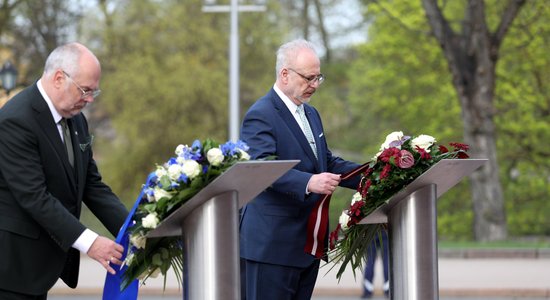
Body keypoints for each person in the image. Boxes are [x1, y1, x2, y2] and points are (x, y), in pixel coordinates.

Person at [0, 42, 128, 299]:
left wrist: (136, 233)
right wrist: (91, 243)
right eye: (85, 90)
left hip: (39, 269)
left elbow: (91, 185)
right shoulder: (15, 120)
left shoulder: (76, 120)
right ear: (59, 78)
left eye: (94, 92)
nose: (90, 99)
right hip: (11, 268)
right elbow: (35, 197)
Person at [239, 39, 362, 300]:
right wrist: (308, 182)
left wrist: (378, 174)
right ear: (285, 74)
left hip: (306, 247)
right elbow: (261, 167)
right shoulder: (260, 114)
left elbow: (326, 162)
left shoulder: (311, 114)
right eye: (309, 78)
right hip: (272, 247)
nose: (315, 85)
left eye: (319, 77)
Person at [362, 229, 390, 298]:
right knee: (387, 260)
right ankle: (388, 289)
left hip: (370, 230)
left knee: (370, 261)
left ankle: (367, 291)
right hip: (384, 229)